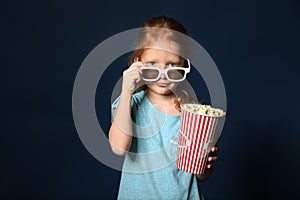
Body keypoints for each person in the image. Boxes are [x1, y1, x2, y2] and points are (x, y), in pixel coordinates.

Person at [108, 16, 219, 200]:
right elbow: (118, 148)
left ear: (183, 64)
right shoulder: (129, 104)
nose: (163, 74)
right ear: (138, 62)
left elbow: (200, 176)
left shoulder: (193, 110)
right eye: (152, 64)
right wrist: (126, 90)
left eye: (172, 64)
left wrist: (205, 165)